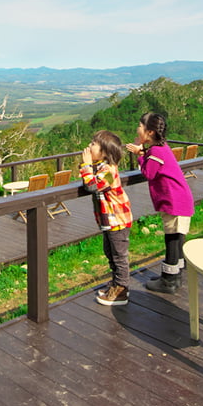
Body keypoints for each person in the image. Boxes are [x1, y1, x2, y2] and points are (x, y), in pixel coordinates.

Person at [126, 112, 195, 294]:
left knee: (172, 238)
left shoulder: (156, 151)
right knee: (176, 237)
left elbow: (149, 172)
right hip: (179, 199)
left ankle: (169, 281)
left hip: (174, 201)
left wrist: (140, 154)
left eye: (139, 126)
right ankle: (175, 274)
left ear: (149, 132)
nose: (137, 129)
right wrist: (142, 151)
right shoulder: (161, 147)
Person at [79, 130, 133, 307]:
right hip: (109, 221)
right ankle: (116, 284)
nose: (89, 146)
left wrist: (85, 166)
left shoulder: (108, 170)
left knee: (119, 256)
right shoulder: (101, 167)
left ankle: (121, 290)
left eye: (93, 144)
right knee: (110, 253)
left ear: (104, 152)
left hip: (118, 220)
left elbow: (92, 186)